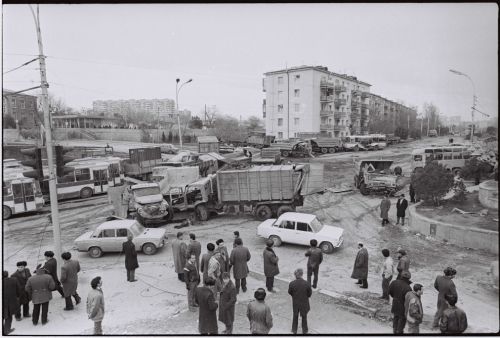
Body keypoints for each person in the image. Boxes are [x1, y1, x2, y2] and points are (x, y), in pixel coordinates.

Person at [288, 268, 312, 335]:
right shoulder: (307, 283)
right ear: (302, 274)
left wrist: (294, 296)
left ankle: (294, 330)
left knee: (295, 315)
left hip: (295, 302)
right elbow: (309, 294)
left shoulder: (292, 283)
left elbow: (289, 292)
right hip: (304, 303)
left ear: (295, 275)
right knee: (304, 316)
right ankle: (305, 330)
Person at [3, 271, 20, 335]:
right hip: (10, 302)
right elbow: (18, 290)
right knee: (9, 316)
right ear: (8, 275)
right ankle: (6, 330)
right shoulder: (14, 280)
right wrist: (17, 297)